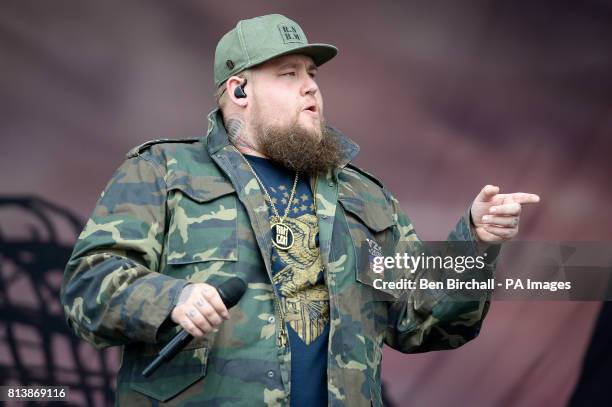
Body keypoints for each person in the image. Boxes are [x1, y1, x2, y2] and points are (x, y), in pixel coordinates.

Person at [60, 13, 539, 407]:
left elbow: (424, 323)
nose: (311, 87)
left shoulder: (366, 198)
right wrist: (172, 297)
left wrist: (476, 241)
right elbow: (88, 286)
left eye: (312, 75)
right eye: (289, 74)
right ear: (239, 91)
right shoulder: (164, 171)